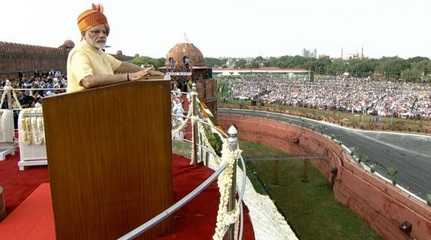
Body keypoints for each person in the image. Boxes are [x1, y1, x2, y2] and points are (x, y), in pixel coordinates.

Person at [67, 4, 163, 93]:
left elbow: (122, 66)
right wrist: (128, 77)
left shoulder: (99, 52)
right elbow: (87, 81)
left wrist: (147, 72)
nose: (102, 35)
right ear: (83, 34)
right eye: (95, 32)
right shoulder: (79, 53)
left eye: (104, 32)